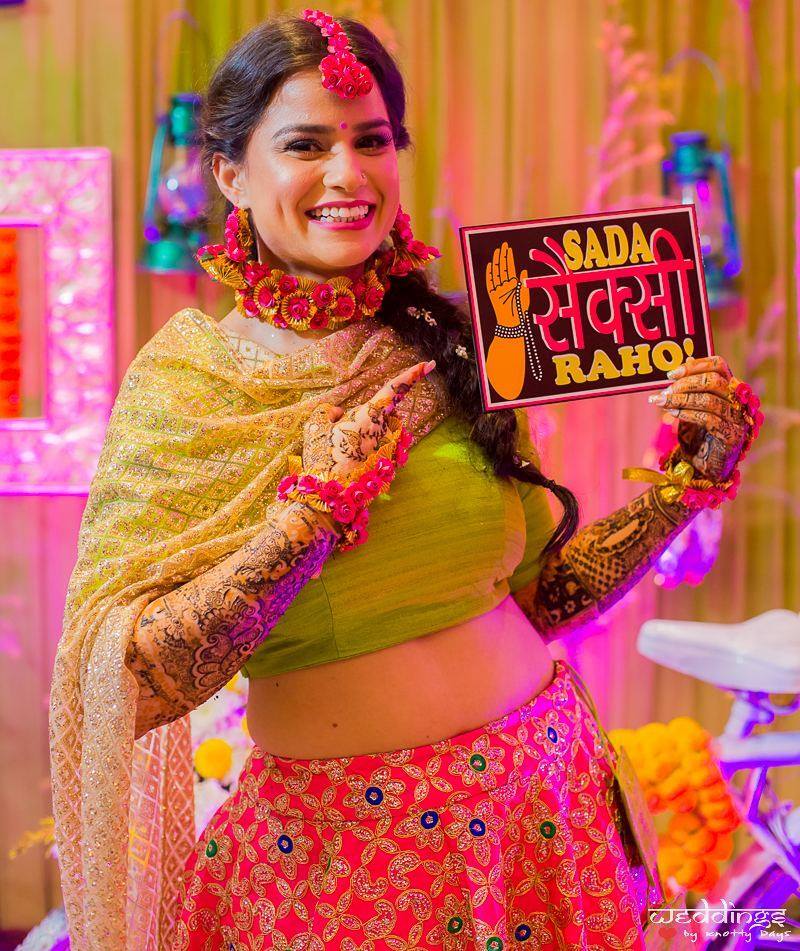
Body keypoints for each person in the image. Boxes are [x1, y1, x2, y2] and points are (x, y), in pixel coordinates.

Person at [48, 9, 762, 950]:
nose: (349, 175)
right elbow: (132, 678)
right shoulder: (189, 385)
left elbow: (539, 596)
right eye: (306, 143)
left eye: (372, 140)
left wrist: (682, 487)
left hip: (544, 810)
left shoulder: (452, 342)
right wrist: (308, 523)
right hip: (345, 859)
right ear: (230, 173)